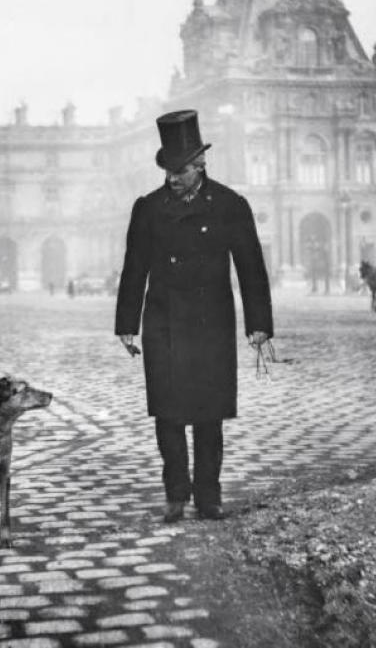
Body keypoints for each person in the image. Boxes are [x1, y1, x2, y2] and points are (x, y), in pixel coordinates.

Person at [115, 109, 273, 523]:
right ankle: (174, 494)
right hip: (163, 321)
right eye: (167, 170)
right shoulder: (147, 208)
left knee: (208, 413)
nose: (171, 178)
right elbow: (135, 267)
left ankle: (208, 496)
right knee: (167, 413)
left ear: (201, 165)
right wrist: (127, 325)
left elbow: (251, 265)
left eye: (180, 170)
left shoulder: (229, 205)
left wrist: (258, 323)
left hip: (211, 321)